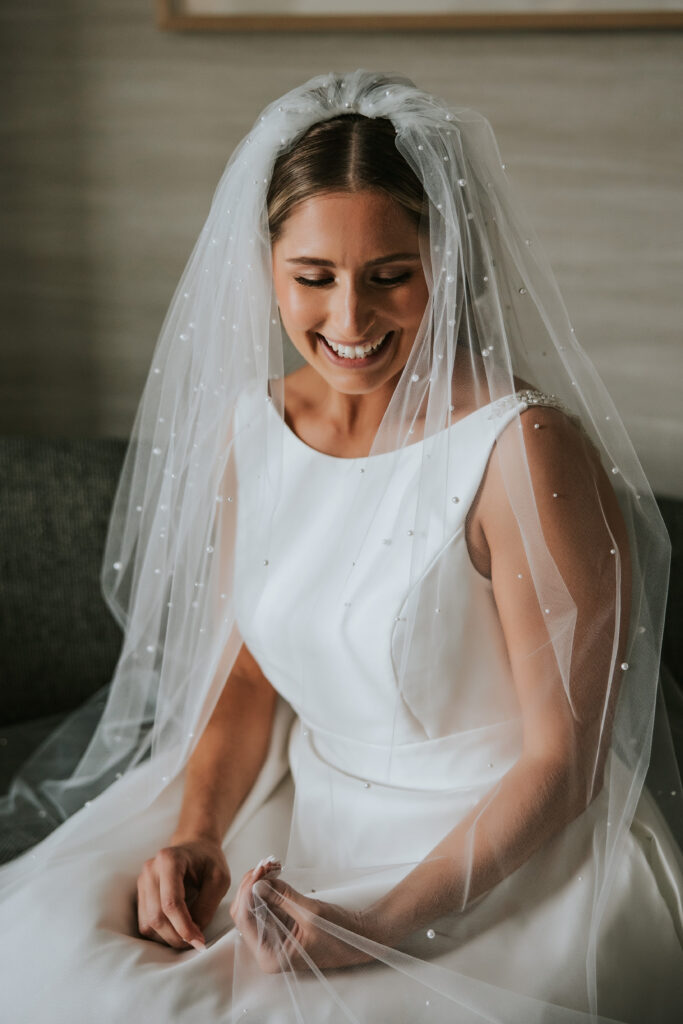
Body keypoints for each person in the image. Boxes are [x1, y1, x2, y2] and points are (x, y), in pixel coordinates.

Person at [1, 69, 682, 1023]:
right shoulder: (257, 425)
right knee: (46, 961)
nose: (350, 321)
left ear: (445, 266)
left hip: (503, 861)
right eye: (313, 279)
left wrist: (383, 926)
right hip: (302, 820)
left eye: (390, 276)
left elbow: (561, 767)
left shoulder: (519, 449)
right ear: (267, 265)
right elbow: (246, 676)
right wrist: (200, 833)